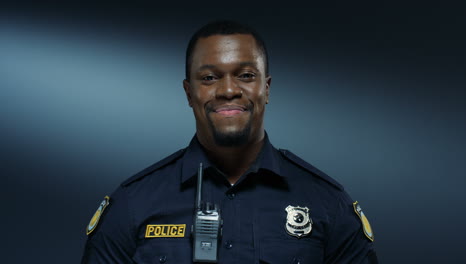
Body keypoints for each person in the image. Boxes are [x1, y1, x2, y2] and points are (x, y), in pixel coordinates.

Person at [81, 20, 378, 263]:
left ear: (267, 88)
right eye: (209, 78)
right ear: (188, 93)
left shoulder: (326, 203)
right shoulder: (133, 204)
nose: (228, 90)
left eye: (246, 75)